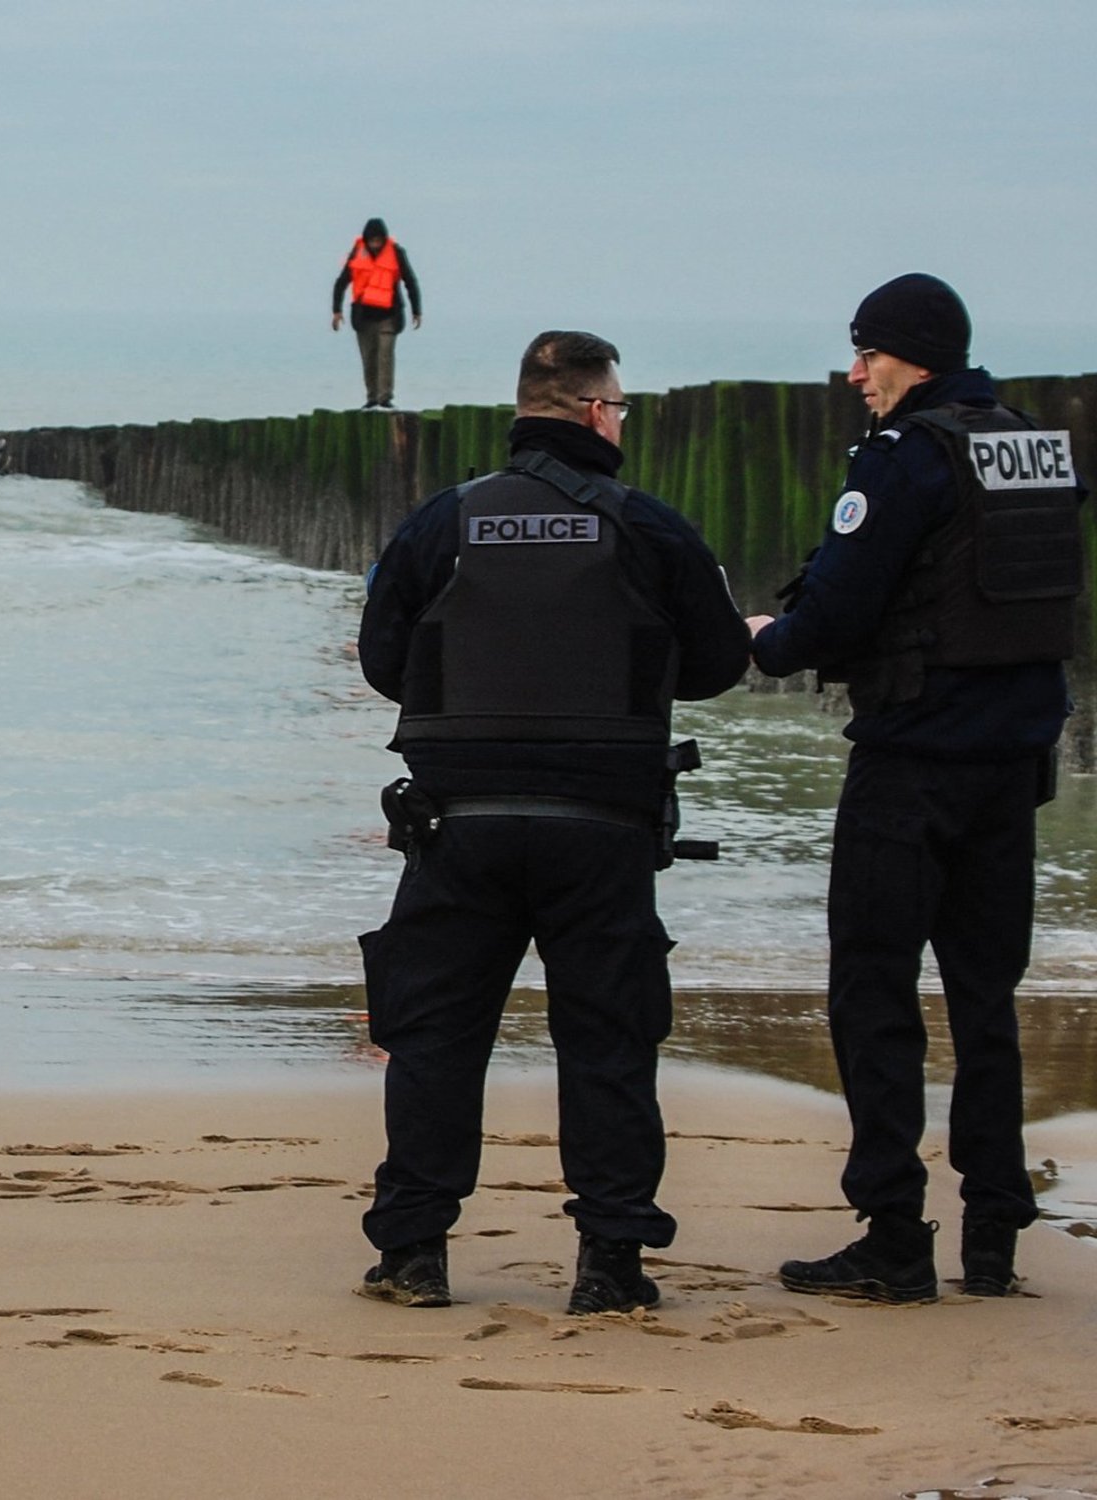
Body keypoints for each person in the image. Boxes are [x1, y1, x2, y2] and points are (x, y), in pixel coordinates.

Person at [356, 331, 751, 1314]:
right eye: (619, 407)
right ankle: (610, 1262)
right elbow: (716, 664)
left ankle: (412, 1251)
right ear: (592, 411)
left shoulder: (443, 521)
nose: (620, 421)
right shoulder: (647, 525)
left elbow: (382, 661)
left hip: (458, 828)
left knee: (436, 1037)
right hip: (602, 828)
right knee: (608, 1042)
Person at [749, 274, 1087, 1303]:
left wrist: (765, 642)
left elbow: (839, 610)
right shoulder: (1029, 446)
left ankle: (893, 1234)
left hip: (912, 764)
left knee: (873, 992)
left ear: (914, 356)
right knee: (985, 1001)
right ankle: (993, 1230)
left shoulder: (903, 457)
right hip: (1012, 771)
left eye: (869, 354)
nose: (856, 374)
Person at [331, 217, 422, 409]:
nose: (375, 244)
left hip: (389, 317)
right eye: (372, 241)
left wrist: (417, 310)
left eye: (379, 241)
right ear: (366, 240)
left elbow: (410, 281)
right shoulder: (357, 253)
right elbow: (341, 282)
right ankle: (372, 398)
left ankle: (385, 398)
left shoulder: (396, 253)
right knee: (369, 359)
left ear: (384, 239)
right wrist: (336, 310)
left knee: (385, 356)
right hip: (363, 318)